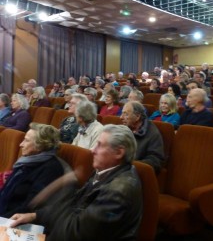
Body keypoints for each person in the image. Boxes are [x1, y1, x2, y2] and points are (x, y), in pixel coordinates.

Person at [10, 125, 143, 241]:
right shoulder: (104, 171)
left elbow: (74, 234)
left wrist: (65, 186)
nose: (92, 150)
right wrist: (35, 216)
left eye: (99, 145)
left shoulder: (118, 191)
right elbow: (74, 205)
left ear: (119, 152)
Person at [0, 123, 69, 217]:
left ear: (40, 145)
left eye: (26, 141)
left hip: (12, 219)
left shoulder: (51, 169)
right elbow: (5, 191)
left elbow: (30, 207)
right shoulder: (26, 160)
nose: (21, 144)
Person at [120, 101, 164, 173]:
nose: (121, 117)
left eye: (126, 114)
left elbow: (156, 161)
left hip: (132, 174)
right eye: (122, 113)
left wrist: (131, 165)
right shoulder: (123, 128)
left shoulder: (152, 133)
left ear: (137, 116)